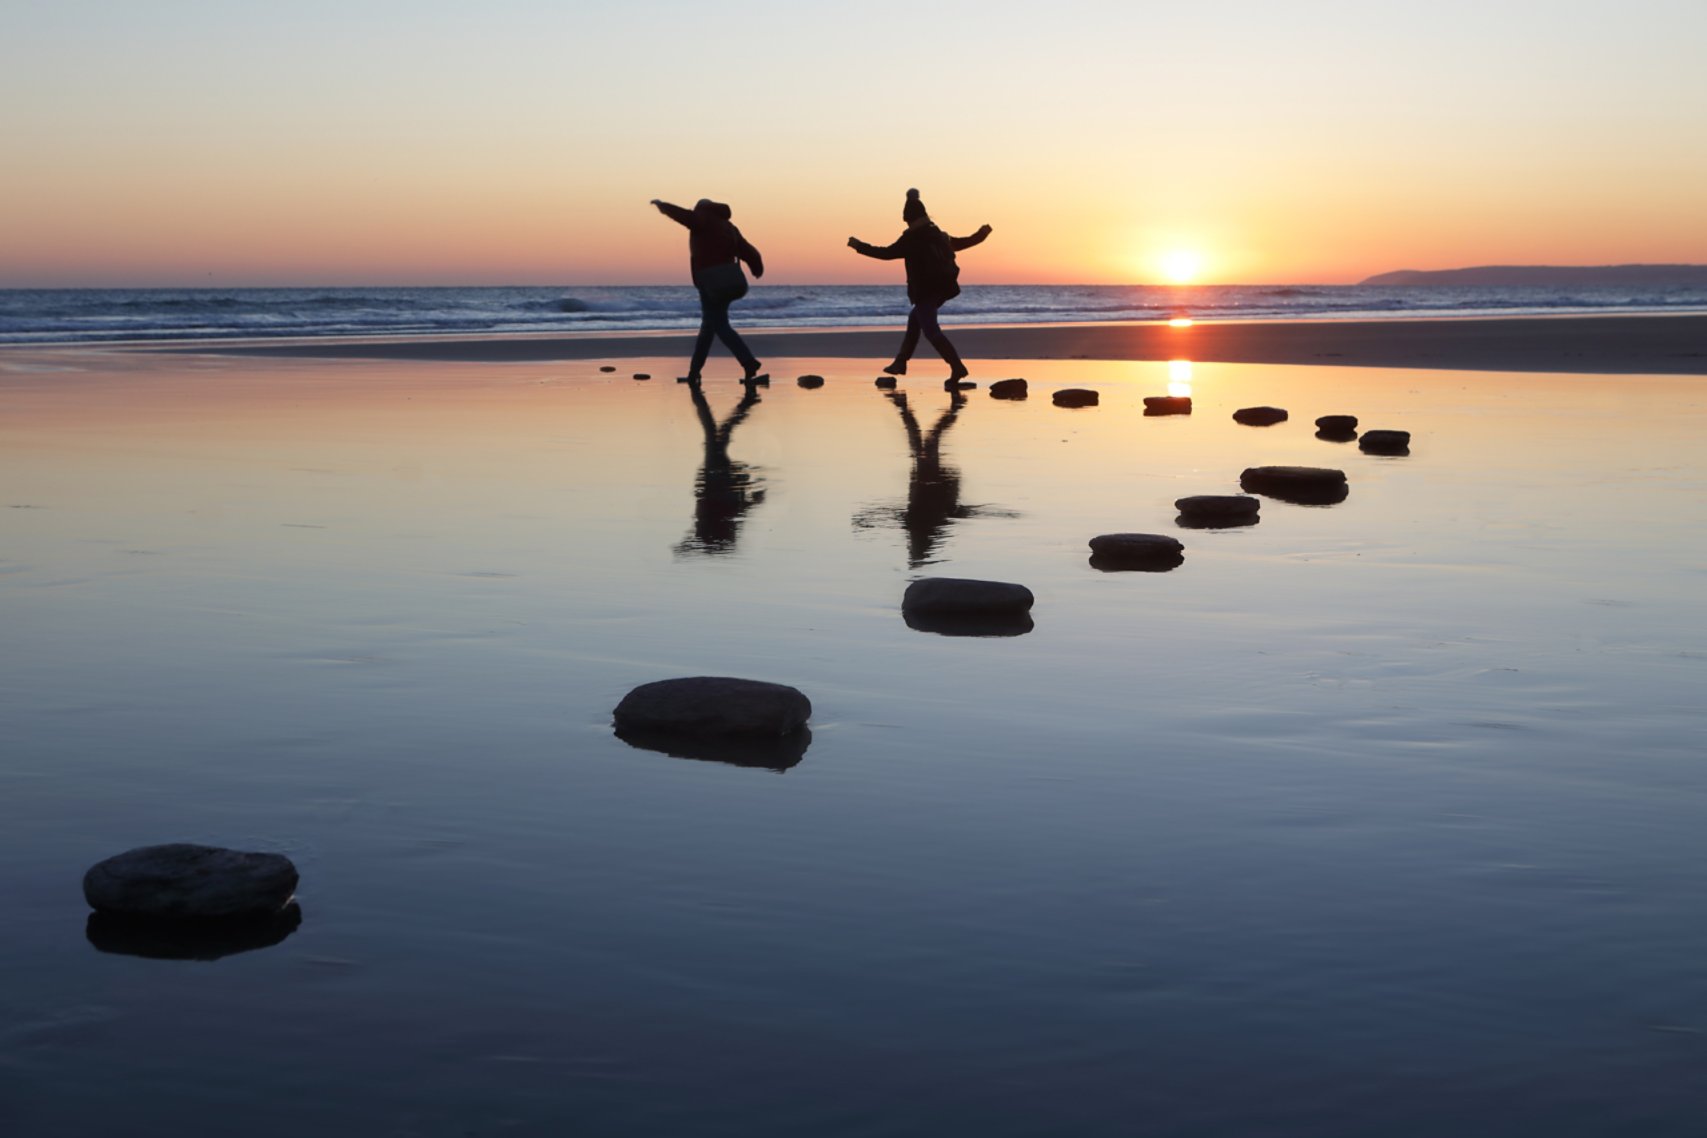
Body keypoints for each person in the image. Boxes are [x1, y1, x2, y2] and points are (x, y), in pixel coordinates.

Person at [848, 189, 991, 382]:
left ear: (909, 218)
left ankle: (957, 367)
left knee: (931, 330)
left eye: (906, 219)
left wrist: (859, 246)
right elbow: (962, 243)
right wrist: (982, 234)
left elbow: (886, 253)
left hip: (926, 291)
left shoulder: (912, 238)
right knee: (915, 319)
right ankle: (901, 362)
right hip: (942, 289)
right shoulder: (938, 234)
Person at [651, 197, 767, 382]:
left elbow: (686, 217)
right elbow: (748, 251)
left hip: (712, 284)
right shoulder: (729, 227)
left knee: (719, 326)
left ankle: (748, 361)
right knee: (708, 328)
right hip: (731, 282)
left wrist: (663, 206)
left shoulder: (704, 218)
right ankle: (694, 373)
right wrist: (757, 268)